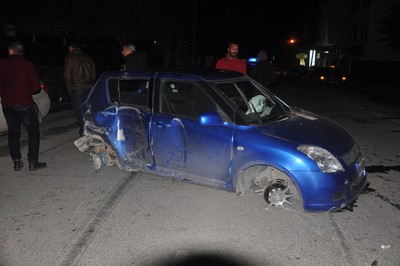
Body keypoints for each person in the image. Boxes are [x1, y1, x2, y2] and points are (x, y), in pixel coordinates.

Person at [0, 40, 47, 171]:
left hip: (7, 105)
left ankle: (16, 161)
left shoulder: (2, 64)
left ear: (10, 51)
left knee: (13, 133)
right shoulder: (28, 65)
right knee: (33, 133)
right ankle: (33, 162)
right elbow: (36, 88)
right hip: (24, 104)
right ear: (22, 52)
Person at [64, 41, 96, 137]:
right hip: (89, 88)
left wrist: (69, 88)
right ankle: (90, 129)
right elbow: (94, 74)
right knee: (88, 110)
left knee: (79, 111)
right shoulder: (89, 58)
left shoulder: (70, 58)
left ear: (70, 48)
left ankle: (84, 131)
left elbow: (67, 75)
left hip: (77, 88)